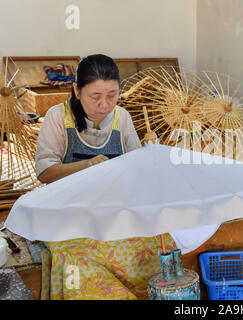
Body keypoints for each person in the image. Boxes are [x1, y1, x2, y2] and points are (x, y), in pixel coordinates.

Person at [36, 54, 176, 300]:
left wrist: (150, 156)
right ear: (77, 90)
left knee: (161, 241)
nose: (104, 104)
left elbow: (137, 168)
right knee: (73, 258)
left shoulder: (122, 117)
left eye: (112, 95)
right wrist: (87, 166)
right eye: (95, 96)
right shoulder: (58, 117)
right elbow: (45, 172)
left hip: (111, 208)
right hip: (68, 212)